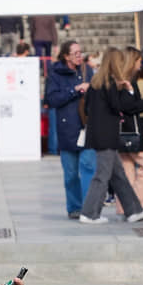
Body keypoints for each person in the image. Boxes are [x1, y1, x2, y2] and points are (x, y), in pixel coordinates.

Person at [78, 48, 143, 224]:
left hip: (98, 134)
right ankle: (89, 213)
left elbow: (87, 108)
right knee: (102, 176)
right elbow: (119, 106)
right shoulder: (110, 83)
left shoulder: (96, 82)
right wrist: (129, 90)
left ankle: (133, 211)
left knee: (118, 176)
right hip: (107, 135)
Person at [45, 41, 95, 219]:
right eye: (75, 53)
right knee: (71, 173)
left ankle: (89, 207)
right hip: (68, 127)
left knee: (89, 166)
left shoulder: (87, 70)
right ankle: (74, 207)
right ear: (66, 56)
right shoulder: (56, 73)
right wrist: (74, 90)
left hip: (88, 125)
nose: (79, 56)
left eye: (80, 52)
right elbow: (52, 99)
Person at [117, 47, 143, 218]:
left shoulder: (119, 78)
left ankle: (124, 207)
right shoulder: (127, 81)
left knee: (126, 169)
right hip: (132, 130)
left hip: (121, 132)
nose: (141, 64)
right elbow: (129, 106)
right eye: (139, 61)